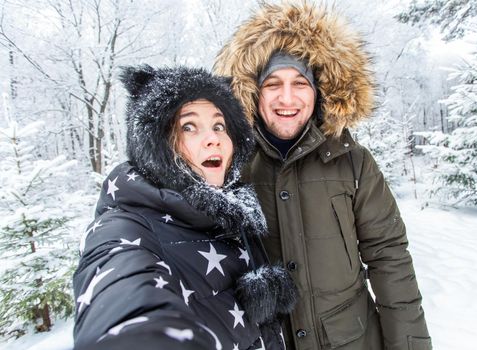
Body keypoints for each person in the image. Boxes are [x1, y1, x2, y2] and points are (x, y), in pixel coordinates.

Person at [214, 3, 432, 350]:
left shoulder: (353, 162)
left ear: (319, 92)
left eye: (300, 83)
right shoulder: (229, 167)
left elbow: (389, 257)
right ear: (253, 92)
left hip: (353, 341)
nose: (287, 98)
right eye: (273, 84)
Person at [73, 65, 297, 349]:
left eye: (219, 125)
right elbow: (120, 289)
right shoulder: (125, 225)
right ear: (155, 143)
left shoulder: (233, 211)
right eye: (188, 126)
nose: (213, 137)